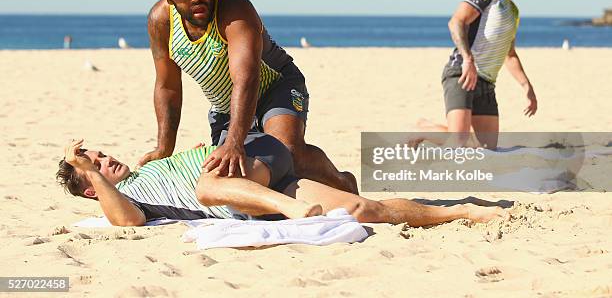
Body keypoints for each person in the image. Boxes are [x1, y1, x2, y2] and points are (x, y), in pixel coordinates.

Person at [139, 0, 357, 194]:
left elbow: (247, 77)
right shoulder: (161, 22)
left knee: (285, 152)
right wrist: (163, 149)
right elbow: (167, 87)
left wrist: (234, 142)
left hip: (275, 86)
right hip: (226, 106)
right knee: (236, 173)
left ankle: (343, 183)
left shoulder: (233, 6)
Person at [57, 138, 505, 227]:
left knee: (206, 185)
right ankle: (458, 211)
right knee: (365, 210)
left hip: (254, 165)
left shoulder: (150, 165)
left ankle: (295, 212)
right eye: (94, 165)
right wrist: (94, 175)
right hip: (259, 195)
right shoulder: (128, 199)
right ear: (92, 190)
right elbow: (127, 222)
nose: (104, 158)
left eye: (100, 152)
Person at [442, 0, 537, 148]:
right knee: (458, 142)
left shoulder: (513, 10)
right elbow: (456, 22)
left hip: (486, 83)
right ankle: (420, 129)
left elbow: (509, 55)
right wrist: (467, 59)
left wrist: (526, 86)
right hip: (463, 74)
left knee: (487, 149)